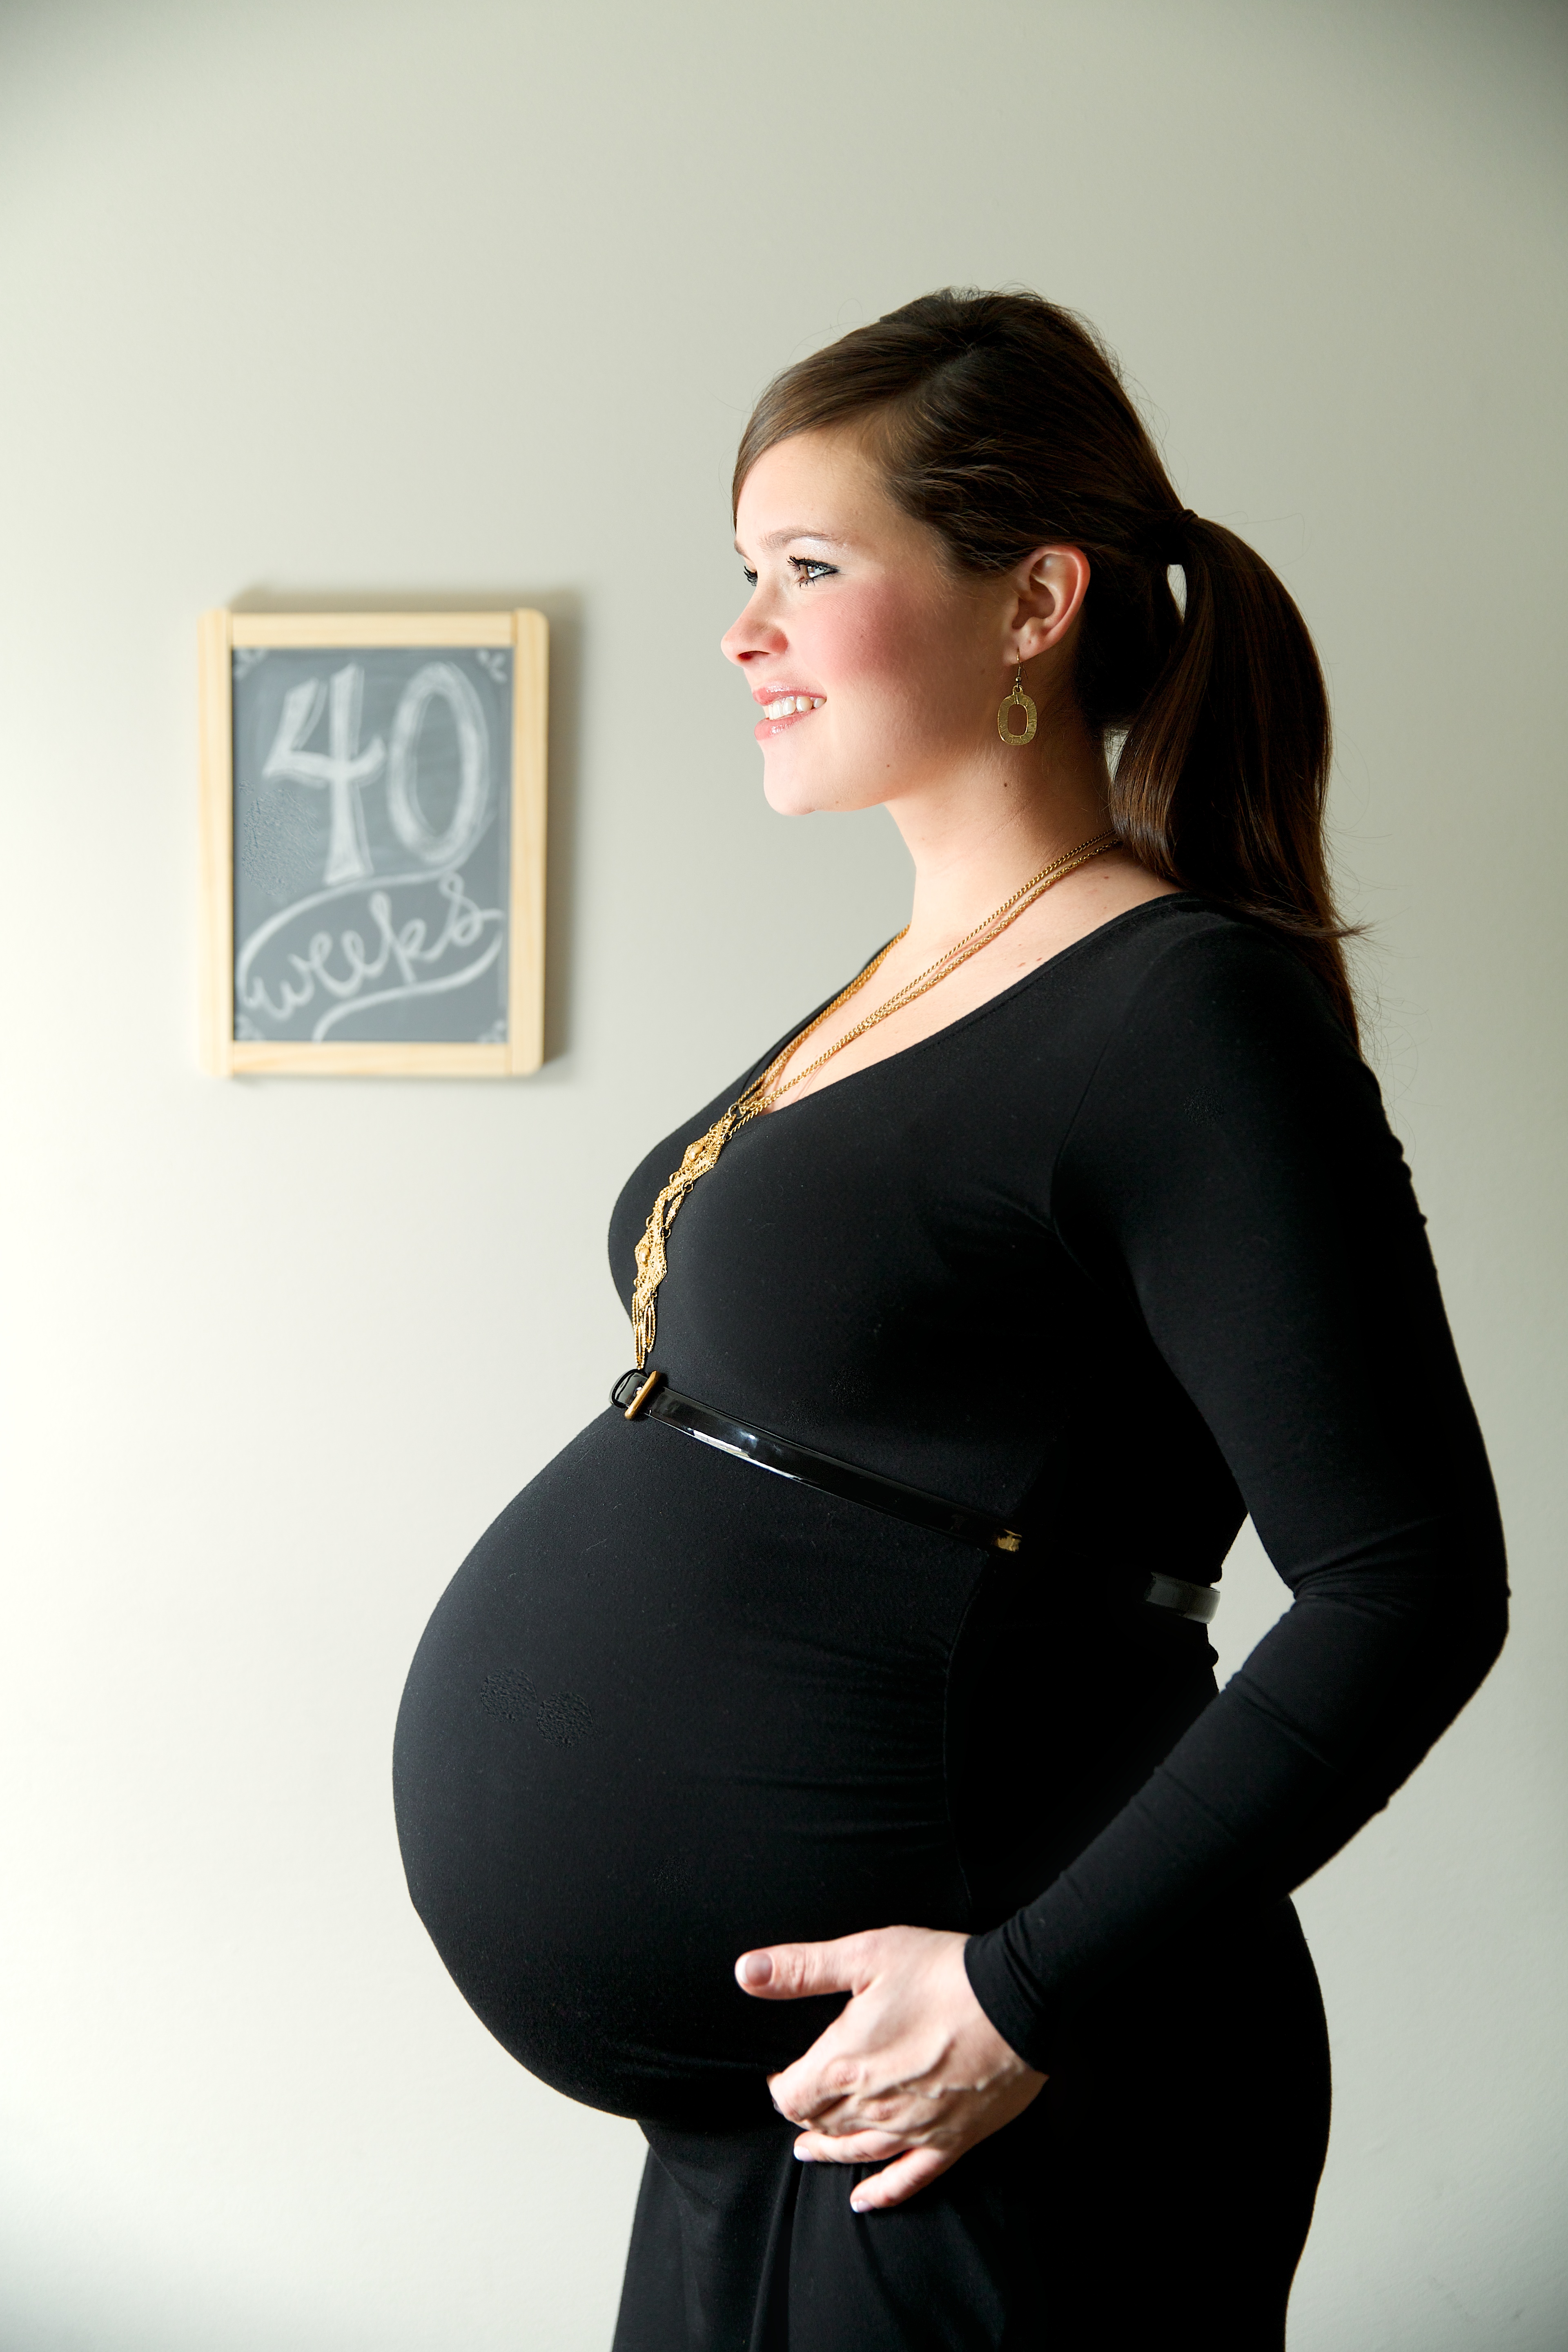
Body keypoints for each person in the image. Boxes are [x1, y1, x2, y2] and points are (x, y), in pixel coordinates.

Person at [392, 290, 1507, 2349]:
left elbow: (1410, 1585)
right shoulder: (913, 978)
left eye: (810, 568)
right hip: (773, 2120)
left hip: (994, 2103)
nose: (746, 631)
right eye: (746, 571)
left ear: (1035, 605)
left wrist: (1020, 1997)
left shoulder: (1186, 1013)